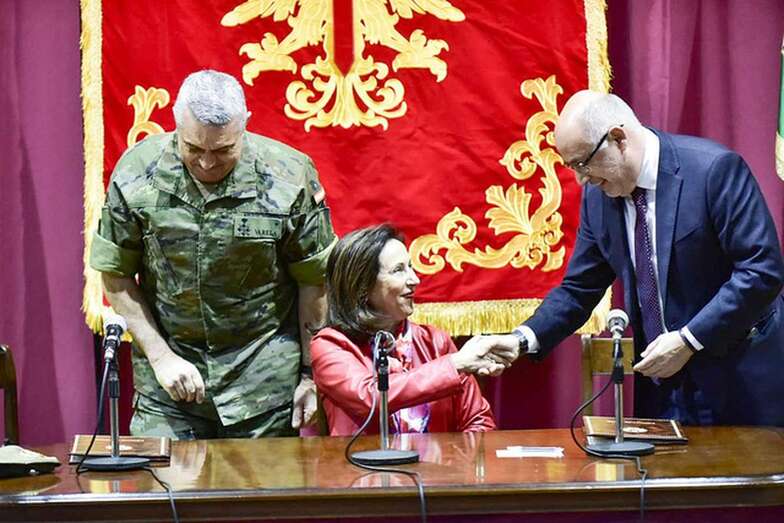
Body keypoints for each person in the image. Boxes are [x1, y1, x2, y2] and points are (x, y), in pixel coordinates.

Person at [477, 90, 784, 426]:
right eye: (571, 167)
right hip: (662, 388)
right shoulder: (598, 199)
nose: (581, 179)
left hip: (738, 378)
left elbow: (761, 270)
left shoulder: (713, 170)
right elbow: (578, 290)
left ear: (618, 138)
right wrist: (520, 340)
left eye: (582, 163)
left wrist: (688, 340)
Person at [90, 69, 337, 438]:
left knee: (259, 497)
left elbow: (314, 280)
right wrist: (160, 357)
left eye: (223, 150)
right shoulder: (137, 173)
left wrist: (311, 374)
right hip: (170, 388)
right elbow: (115, 273)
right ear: (176, 125)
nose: (207, 162)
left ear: (244, 127)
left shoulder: (289, 176)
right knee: (160, 493)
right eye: (193, 148)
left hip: (263, 388)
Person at [311, 225, 500, 436]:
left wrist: (454, 464)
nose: (414, 280)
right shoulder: (330, 345)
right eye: (398, 270)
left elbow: (478, 422)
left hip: (438, 468)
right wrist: (454, 365)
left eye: (410, 267)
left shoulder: (435, 341)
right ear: (363, 286)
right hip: (360, 468)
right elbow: (369, 397)